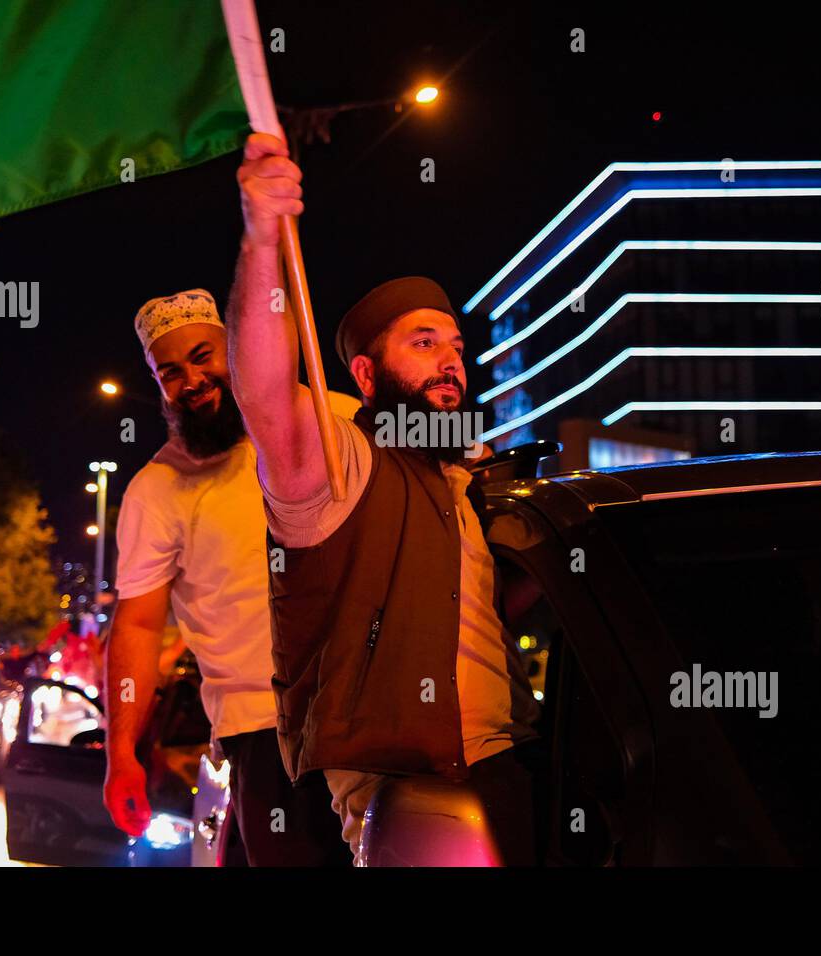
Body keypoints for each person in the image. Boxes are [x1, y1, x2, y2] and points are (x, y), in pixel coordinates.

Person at [227, 133, 542, 864]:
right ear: (367, 378)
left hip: (506, 768)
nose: (451, 364)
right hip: (406, 798)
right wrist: (260, 240)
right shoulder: (342, 465)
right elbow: (267, 394)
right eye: (424, 344)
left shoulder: (462, 478)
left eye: (458, 347)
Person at [103, 288, 354, 866]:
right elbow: (138, 626)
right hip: (263, 735)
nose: (191, 379)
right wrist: (121, 755)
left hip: (372, 711)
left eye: (202, 357)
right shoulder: (156, 490)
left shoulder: (330, 419)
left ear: (237, 349)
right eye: (171, 373)